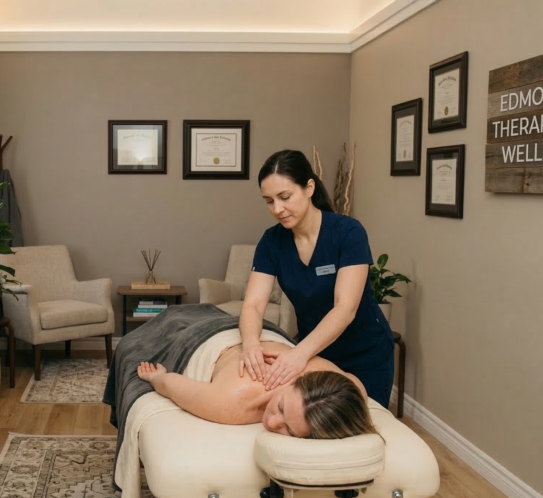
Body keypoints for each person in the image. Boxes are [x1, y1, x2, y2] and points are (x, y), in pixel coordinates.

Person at [239, 149, 395, 409]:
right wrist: (251, 344)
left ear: (309, 187)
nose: (277, 209)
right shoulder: (271, 241)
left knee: (363, 423)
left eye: (285, 197)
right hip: (317, 353)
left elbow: (345, 308)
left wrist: (299, 354)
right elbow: (253, 304)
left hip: (365, 353)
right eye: (269, 201)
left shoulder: (348, 233)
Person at [135, 339, 376, 439]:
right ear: (293, 381)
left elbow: (355, 386)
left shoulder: (343, 389)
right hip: (212, 338)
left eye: (290, 430)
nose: (272, 422)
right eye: (281, 407)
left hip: (275, 337)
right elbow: (170, 384)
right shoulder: (232, 400)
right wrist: (157, 376)